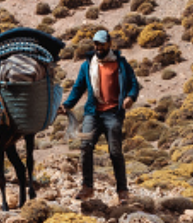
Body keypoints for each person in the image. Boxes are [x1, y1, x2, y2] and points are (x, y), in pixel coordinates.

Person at [59, 29, 140, 204]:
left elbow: (134, 83)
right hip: (93, 113)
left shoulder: (121, 63)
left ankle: (122, 191)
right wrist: (67, 105)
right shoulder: (88, 65)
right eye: (96, 43)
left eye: (102, 43)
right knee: (85, 146)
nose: (98, 47)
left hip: (113, 113)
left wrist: (130, 97)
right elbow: (78, 87)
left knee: (115, 152)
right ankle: (87, 187)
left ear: (109, 44)